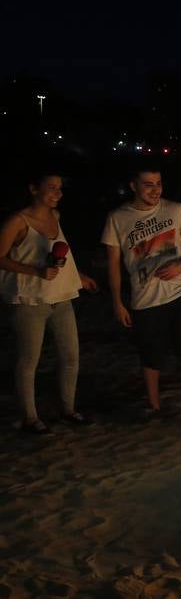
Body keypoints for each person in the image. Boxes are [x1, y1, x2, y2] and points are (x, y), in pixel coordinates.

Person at [102, 165, 181, 424]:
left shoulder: (175, 209)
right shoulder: (117, 218)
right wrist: (117, 302)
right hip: (145, 295)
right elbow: (113, 265)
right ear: (133, 186)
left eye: (158, 183)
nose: (155, 189)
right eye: (148, 184)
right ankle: (154, 405)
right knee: (150, 351)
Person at [0, 172, 99, 433]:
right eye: (51, 188)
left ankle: (68, 409)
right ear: (33, 189)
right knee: (29, 360)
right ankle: (30, 418)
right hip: (30, 299)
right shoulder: (18, 221)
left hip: (61, 297)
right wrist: (36, 272)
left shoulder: (55, 217)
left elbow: (60, 254)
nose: (58, 193)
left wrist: (79, 276)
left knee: (70, 356)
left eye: (60, 188)